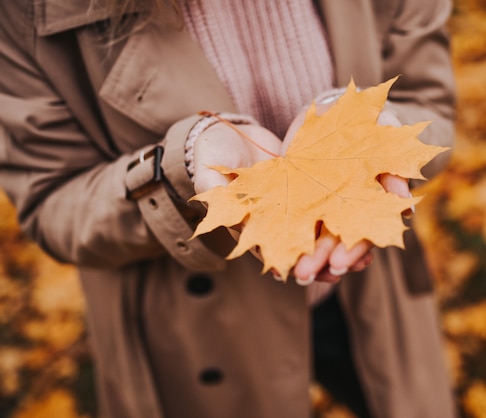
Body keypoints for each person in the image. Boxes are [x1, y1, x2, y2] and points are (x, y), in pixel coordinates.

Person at [0, 0, 457, 417]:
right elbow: (53, 201)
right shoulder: (23, 14)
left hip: (365, 291)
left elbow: (428, 101)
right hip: (201, 330)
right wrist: (181, 166)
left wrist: (358, 122)